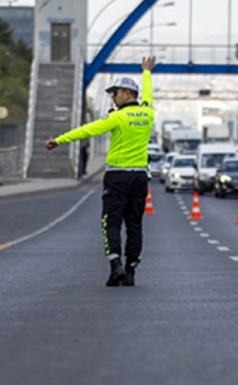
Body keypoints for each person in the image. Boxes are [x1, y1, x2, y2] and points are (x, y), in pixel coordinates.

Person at [43, 56, 156, 287]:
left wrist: (59, 140)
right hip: (140, 177)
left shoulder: (117, 117)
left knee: (111, 222)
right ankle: (131, 269)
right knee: (135, 224)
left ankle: (116, 265)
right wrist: (147, 72)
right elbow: (149, 95)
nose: (113, 98)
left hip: (117, 176)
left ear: (127, 94)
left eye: (115, 93)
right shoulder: (148, 113)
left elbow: (87, 130)